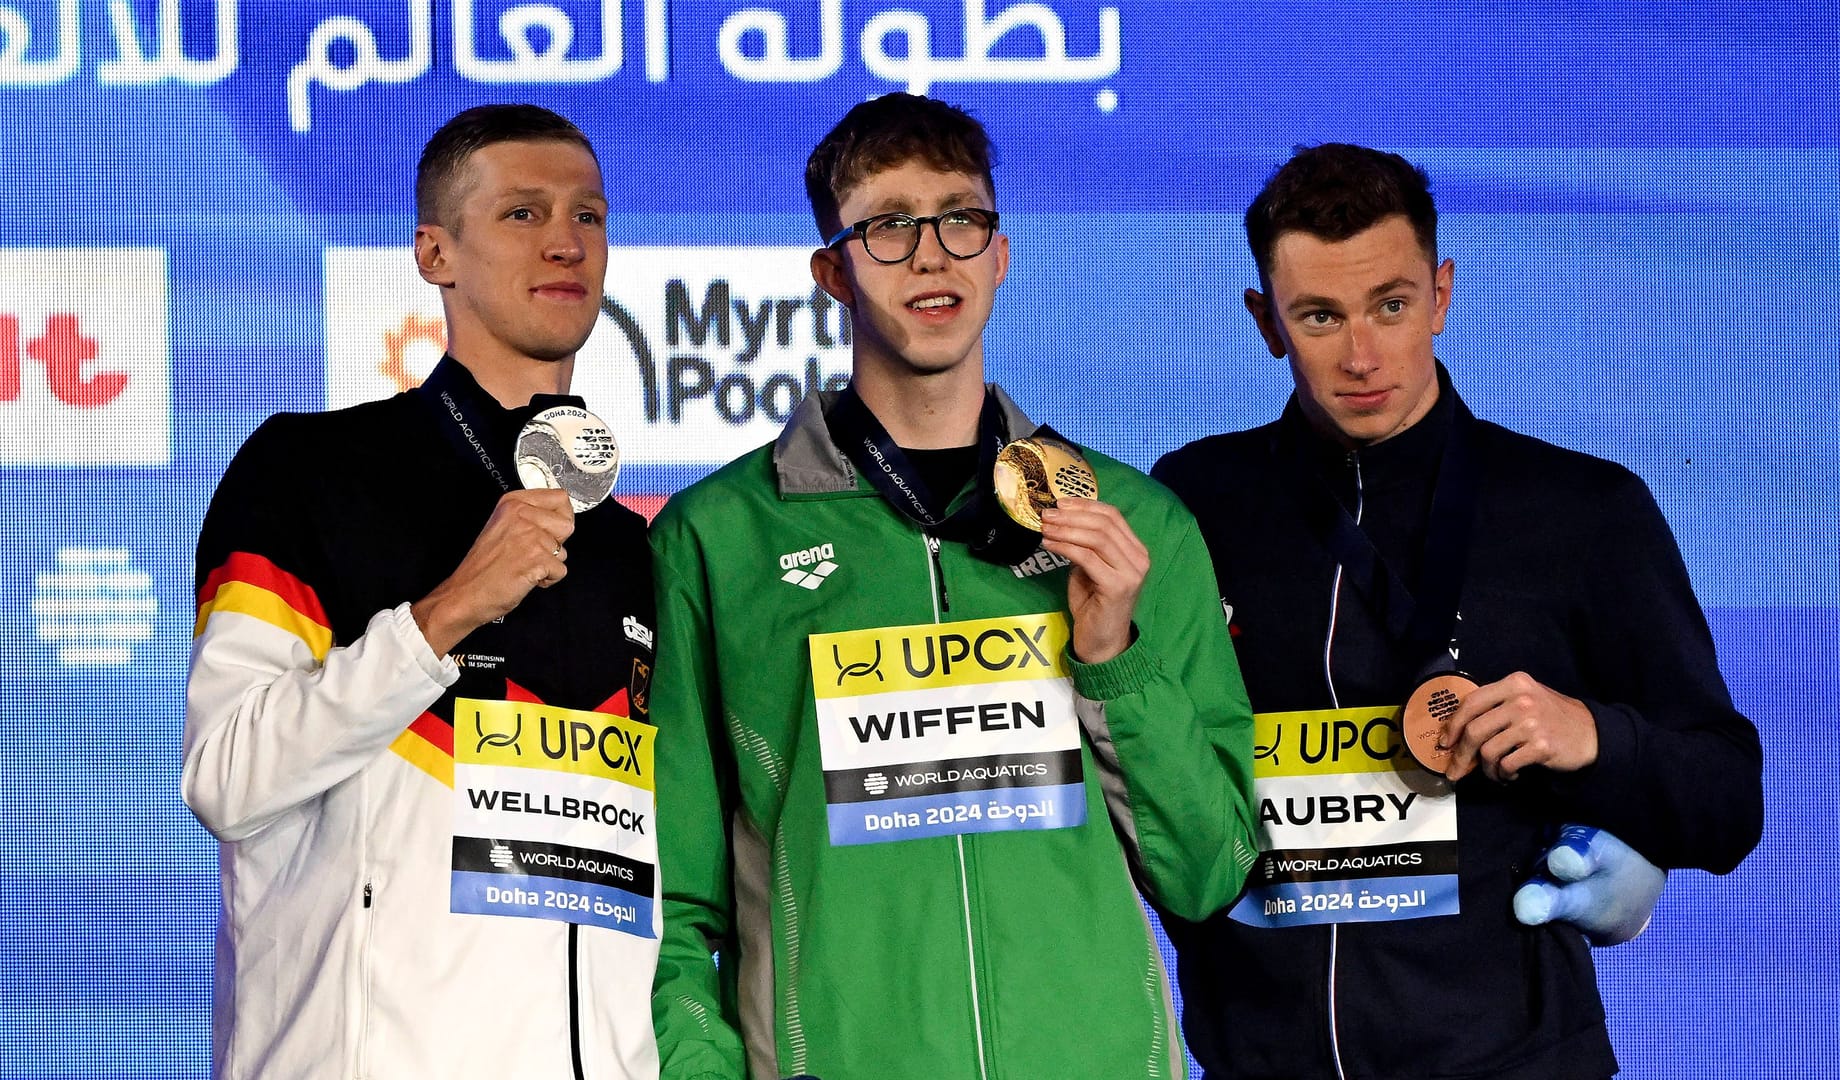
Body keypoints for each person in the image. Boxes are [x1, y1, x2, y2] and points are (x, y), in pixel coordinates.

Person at [647, 92, 1257, 1080]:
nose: (932, 254)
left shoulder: (1133, 526)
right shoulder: (715, 539)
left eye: (961, 219)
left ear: (1000, 254)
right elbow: (669, 909)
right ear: (832, 271)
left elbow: (1207, 873)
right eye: (889, 226)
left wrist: (1112, 659)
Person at [1151, 142, 1764, 1079]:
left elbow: (1729, 802)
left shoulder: (1582, 509)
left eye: (1392, 306)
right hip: (1256, 1059)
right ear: (1265, 322)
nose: (1362, 356)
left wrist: (1592, 736)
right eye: (1319, 316)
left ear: (1441, 296)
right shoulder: (1195, 501)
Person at [183, 104, 660, 1079]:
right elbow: (229, 778)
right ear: (435, 253)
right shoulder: (310, 469)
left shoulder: (630, 543)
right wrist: (448, 614)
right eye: (523, 214)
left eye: (589, 215)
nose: (566, 240)